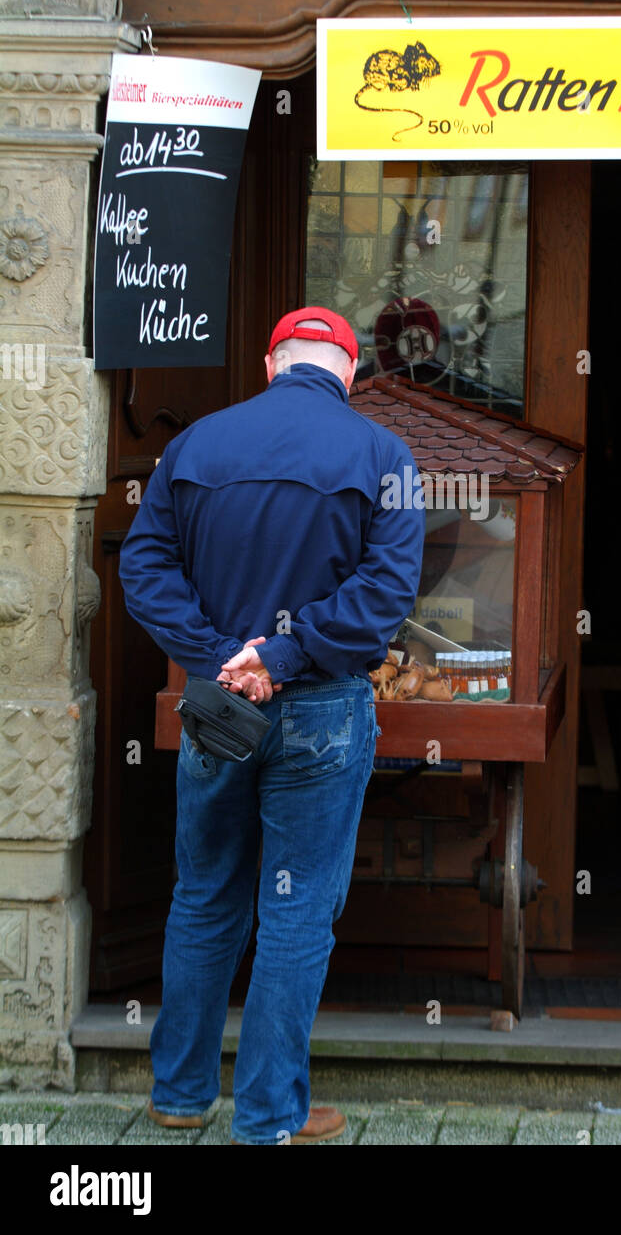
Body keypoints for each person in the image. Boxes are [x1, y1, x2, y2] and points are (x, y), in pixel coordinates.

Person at [118, 308, 425, 1145]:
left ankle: (179, 1095)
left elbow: (142, 565)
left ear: (269, 363)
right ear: (350, 373)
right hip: (321, 709)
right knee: (294, 910)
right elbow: (386, 596)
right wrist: (280, 656)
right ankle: (268, 1114)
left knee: (204, 894)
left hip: (219, 706)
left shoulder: (196, 445)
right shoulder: (382, 455)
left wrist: (224, 656)